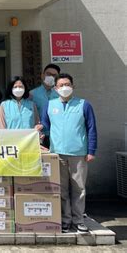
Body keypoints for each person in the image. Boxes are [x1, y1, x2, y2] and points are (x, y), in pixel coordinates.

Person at [41, 73, 97, 233]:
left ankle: (78, 220)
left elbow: (91, 128)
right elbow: (45, 124)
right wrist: (40, 129)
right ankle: (65, 220)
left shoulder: (84, 105)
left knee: (79, 188)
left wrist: (91, 150)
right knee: (62, 189)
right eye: (61, 85)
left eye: (67, 84)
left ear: (73, 86)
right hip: (57, 153)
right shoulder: (49, 105)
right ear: (56, 88)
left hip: (78, 153)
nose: (64, 88)